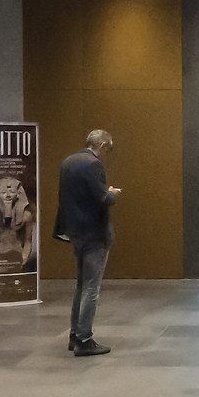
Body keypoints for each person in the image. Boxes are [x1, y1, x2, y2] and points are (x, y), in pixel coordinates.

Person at [55, 129, 120, 356]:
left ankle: (74, 334)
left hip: (75, 231)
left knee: (81, 284)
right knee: (92, 286)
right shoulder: (93, 164)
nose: (107, 154)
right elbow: (101, 198)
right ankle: (85, 339)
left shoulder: (68, 162)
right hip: (94, 232)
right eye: (109, 149)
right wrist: (112, 193)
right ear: (101, 145)